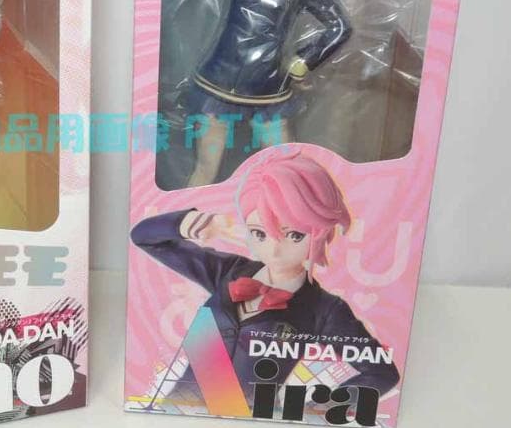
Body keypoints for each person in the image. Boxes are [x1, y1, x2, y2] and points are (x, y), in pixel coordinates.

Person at [130, 149, 399, 414]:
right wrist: (202, 222)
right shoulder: (228, 272)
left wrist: (315, 408)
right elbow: (144, 237)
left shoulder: (324, 309)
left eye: (295, 236)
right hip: (175, 414)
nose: (274, 249)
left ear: (320, 230)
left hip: (248, 427)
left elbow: (381, 373)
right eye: (260, 233)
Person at [177, 0, 351, 187]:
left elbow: (340, 27)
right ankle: (191, 210)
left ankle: (282, 208)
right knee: (205, 169)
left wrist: (303, 61)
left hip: (268, 90)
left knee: (285, 167)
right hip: (218, 82)